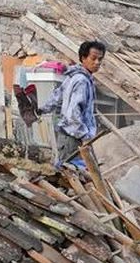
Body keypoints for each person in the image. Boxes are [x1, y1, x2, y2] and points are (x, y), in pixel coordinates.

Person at [40, 40, 105, 170]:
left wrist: (40, 110)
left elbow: (55, 97)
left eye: (100, 59)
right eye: (93, 58)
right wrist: (84, 136)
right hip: (73, 138)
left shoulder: (74, 76)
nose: (97, 62)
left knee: (70, 173)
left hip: (68, 136)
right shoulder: (81, 81)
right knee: (74, 175)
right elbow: (73, 113)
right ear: (83, 58)